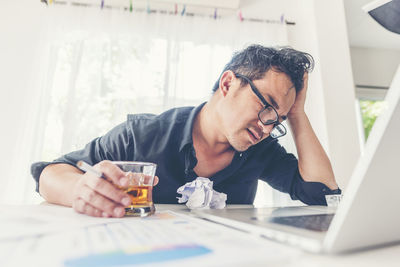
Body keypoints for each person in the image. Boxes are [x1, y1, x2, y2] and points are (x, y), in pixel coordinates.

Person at [31, 44, 341, 218]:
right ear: (228, 83)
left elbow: (323, 194)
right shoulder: (143, 134)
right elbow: (50, 173)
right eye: (266, 105)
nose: (267, 125)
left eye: (279, 119)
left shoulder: (260, 150)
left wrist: (297, 114)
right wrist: (79, 190)